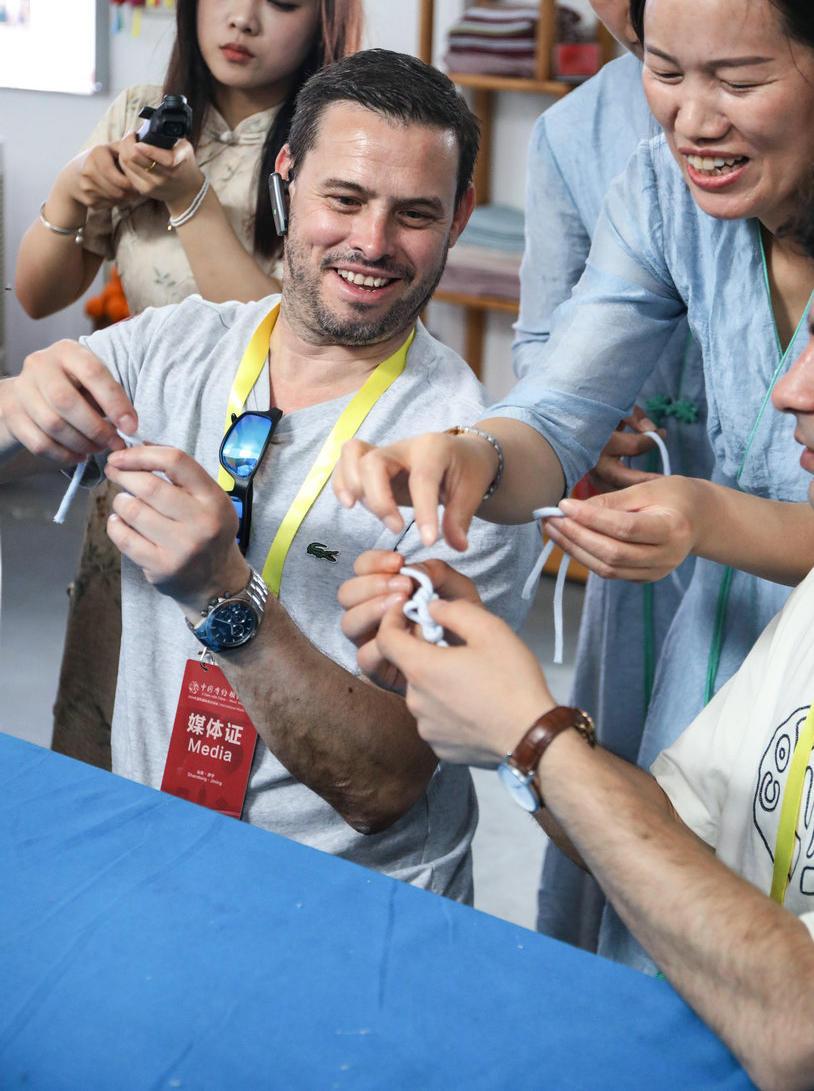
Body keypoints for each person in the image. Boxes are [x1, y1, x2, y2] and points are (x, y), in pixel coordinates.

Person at [334, 0, 814, 961]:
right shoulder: (661, 191)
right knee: (676, 918)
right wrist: (468, 455)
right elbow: (558, 413)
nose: (692, 120)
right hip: (718, 658)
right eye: (663, 69)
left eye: (739, 78)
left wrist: (708, 515)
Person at [351, 120, 814, 1090]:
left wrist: (531, 737)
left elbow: (812, 1028)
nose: (787, 391)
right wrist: (505, 705)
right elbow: (668, 829)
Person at [0, 50, 538, 901]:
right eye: (344, 199)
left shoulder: (467, 462)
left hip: (346, 902)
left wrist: (224, 594)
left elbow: (385, 787)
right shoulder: (179, 346)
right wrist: (16, 401)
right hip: (159, 856)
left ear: (460, 215)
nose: (372, 243)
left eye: (414, 214)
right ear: (286, 176)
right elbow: (22, 417)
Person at [14, 0, 364, 768]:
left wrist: (190, 199)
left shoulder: (330, 146)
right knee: (106, 714)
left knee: (239, 736)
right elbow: (37, 296)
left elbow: (279, 334)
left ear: (324, 19)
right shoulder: (147, 113)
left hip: (269, 488)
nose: (242, 18)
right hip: (140, 471)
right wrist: (72, 193)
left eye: (282, 0)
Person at [514, 0, 750, 950]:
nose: (631, 8)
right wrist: (558, 435)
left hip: (788, 518)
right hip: (645, 515)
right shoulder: (583, 136)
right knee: (635, 794)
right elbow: (549, 354)